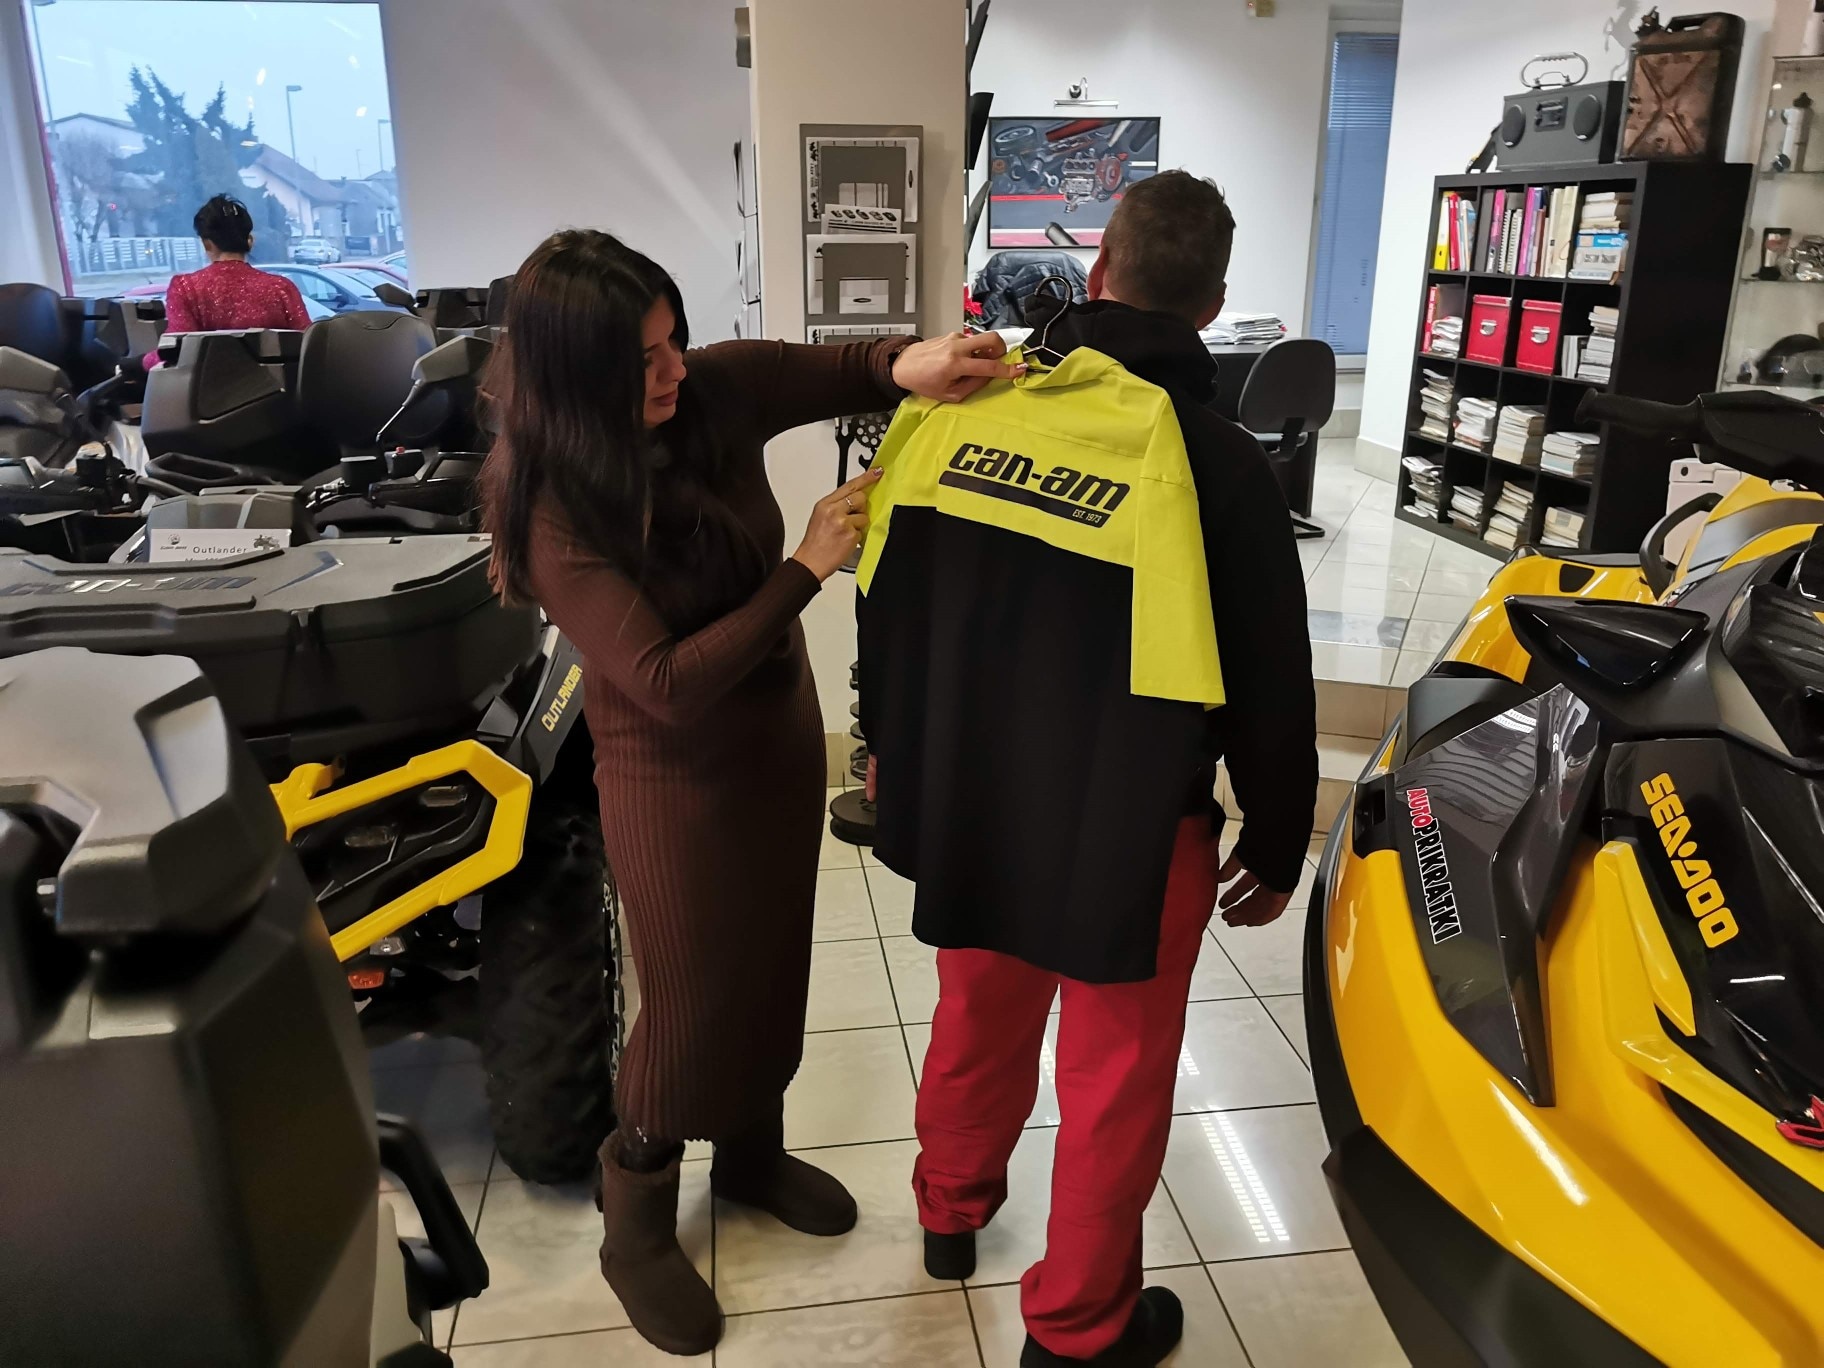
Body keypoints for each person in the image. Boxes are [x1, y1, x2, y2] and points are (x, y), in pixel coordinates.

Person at [479, 229, 1021, 1357]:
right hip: (673, 782)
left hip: (774, 745)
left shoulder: (709, 394)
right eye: (645, 360)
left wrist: (914, 362)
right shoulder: (556, 512)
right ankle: (634, 1221)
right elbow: (667, 683)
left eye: (674, 340)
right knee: (690, 1005)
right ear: (579, 378)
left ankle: (751, 1160)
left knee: (774, 962)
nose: (675, 369)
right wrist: (807, 565)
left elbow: (840, 368)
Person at [859, 171, 1318, 1368]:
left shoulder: (967, 410)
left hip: (975, 795)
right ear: (1212, 304)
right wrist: (1277, 841)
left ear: (1099, 272)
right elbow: (1271, 676)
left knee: (976, 1013)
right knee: (1113, 1079)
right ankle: (1075, 1330)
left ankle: (951, 1210)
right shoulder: (1221, 462)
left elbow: (888, 599)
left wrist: (890, 754)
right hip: (1133, 822)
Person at [162, 195, 313, 338]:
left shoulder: (185, 288)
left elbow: (176, 348)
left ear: (206, 244)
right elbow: (308, 343)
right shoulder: (282, 288)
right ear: (250, 241)